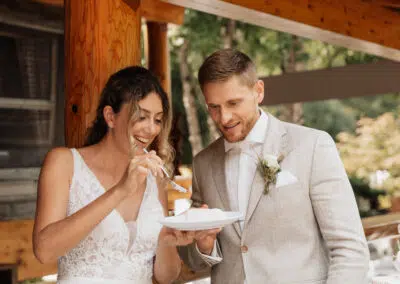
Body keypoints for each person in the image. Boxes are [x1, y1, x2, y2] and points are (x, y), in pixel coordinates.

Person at [179, 49, 370, 283]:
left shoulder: (312, 146)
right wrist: (204, 245)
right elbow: (196, 261)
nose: (224, 117)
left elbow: (349, 248)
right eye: (214, 107)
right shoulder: (203, 163)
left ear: (258, 91)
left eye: (233, 103)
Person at [33, 66, 195, 284]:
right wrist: (120, 190)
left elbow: (166, 276)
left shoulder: (153, 177)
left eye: (157, 119)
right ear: (110, 117)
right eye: (141, 117)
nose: (151, 129)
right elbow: (44, 250)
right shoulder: (64, 163)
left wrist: (167, 242)